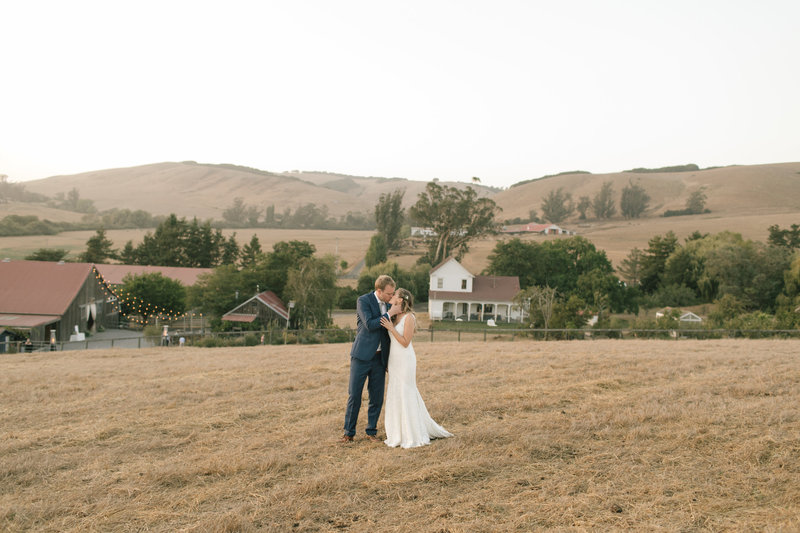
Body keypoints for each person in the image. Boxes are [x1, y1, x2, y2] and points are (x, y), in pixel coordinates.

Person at [380, 288, 453, 448]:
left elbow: (405, 342)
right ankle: (397, 432)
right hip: (394, 360)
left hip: (405, 360)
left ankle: (412, 433)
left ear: (400, 300)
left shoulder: (409, 317)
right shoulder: (392, 316)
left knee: (407, 392)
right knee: (395, 392)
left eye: (394, 295)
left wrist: (391, 328)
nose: (391, 297)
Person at [341, 275, 399, 443]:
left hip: (380, 359)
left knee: (376, 397)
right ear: (379, 291)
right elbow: (370, 324)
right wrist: (389, 314)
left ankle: (371, 431)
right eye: (389, 294)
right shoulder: (363, 301)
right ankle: (348, 433)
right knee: (355, 395)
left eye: (392, 293)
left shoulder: (390, 304)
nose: (391, 297)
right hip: (361, 356)